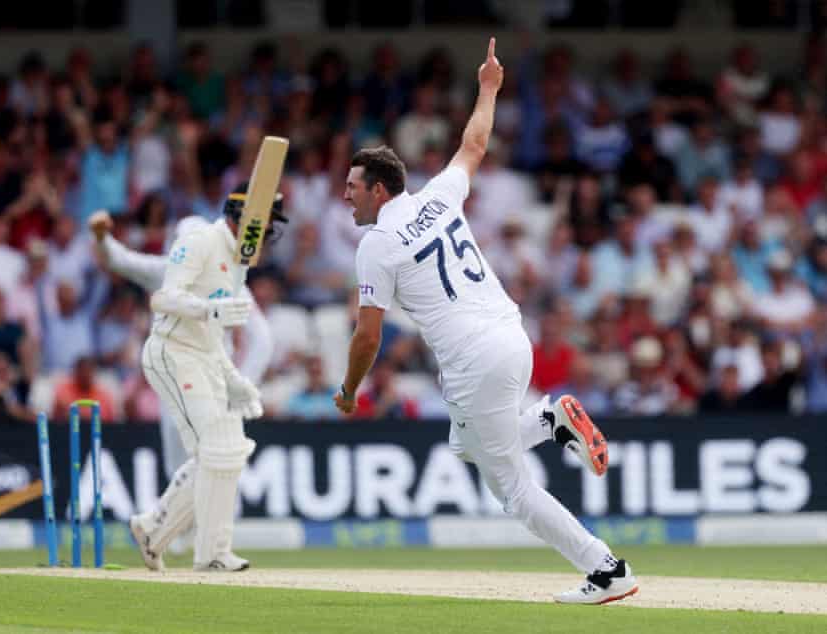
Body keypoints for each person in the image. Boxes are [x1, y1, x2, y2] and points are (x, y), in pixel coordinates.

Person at [333, 39, 637, 605]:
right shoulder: (440, 196)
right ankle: (549, 421)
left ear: (378, 189)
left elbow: (368, 335)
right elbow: (475, 143)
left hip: (473, 361)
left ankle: (607, 570)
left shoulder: (377, 243)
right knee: (468, 447)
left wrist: (349, 390)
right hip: (510, 338)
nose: (345, 196)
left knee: (515, 493)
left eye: (352, 187)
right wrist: (490, 87)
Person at [105, 184, 281, 572]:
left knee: (230, 449)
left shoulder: (237, 267)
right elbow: (164, 298)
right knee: (215, 448)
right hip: (172, 354)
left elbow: (220, 337)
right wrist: (209, 310)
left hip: (205, 358)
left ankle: (160, 531)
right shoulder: (197, 240)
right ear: (239, 221)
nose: (264, 236)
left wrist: (234, 379)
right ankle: (203, 550)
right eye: (260, 227)